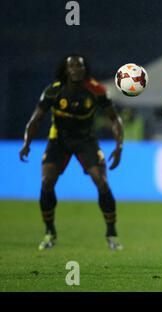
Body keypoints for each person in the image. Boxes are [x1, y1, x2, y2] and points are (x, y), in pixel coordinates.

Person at [19, 54, 125, 251]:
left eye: (80, 66)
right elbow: (36, 119)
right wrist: (27, 143)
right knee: (46, 182)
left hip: (86, 140)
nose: (77, 69)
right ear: (66, 70)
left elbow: (114, 119)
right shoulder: (53, 91)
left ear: (85, 69)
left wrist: (119, 147)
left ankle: (111, 233)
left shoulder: (96, 90)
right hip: (59, 139)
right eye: (72, 66)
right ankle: (50, 231)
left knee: (101, 182)